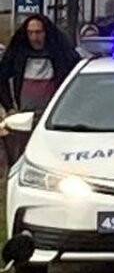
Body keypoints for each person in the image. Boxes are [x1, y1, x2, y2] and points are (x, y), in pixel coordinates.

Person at [0, 15, 80, 168]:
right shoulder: (18, 53)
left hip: (54, 118)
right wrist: (9, 107)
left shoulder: (61, 54)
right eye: (30, 33)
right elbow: (2, 78)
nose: (34, 38)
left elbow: (75, 78)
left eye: (38, 32)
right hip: (24, 118)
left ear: (46, 32)